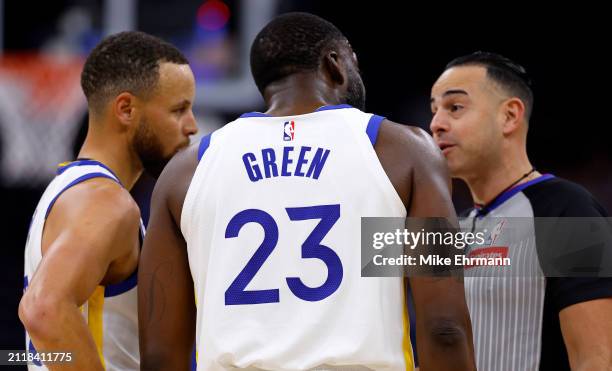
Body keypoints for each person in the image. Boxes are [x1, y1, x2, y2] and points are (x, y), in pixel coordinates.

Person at [139, 12, 475, 371]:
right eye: (353, 63)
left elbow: (160, 355)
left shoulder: (186, 171)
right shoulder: (404, 151)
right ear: (334, 66)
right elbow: (443, 326)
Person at [19, 31, 198, 370]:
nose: (192, 126)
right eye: (179, 110)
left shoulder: (72, 191)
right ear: (126, 109)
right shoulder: (105, 203)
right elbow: (43, 309)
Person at [430, 51, 612, 370]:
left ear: (510, 116)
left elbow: (598, 359)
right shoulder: (452, 229)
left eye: (454, 107)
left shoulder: (569, 209)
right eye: (433, 110)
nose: (436, 124)